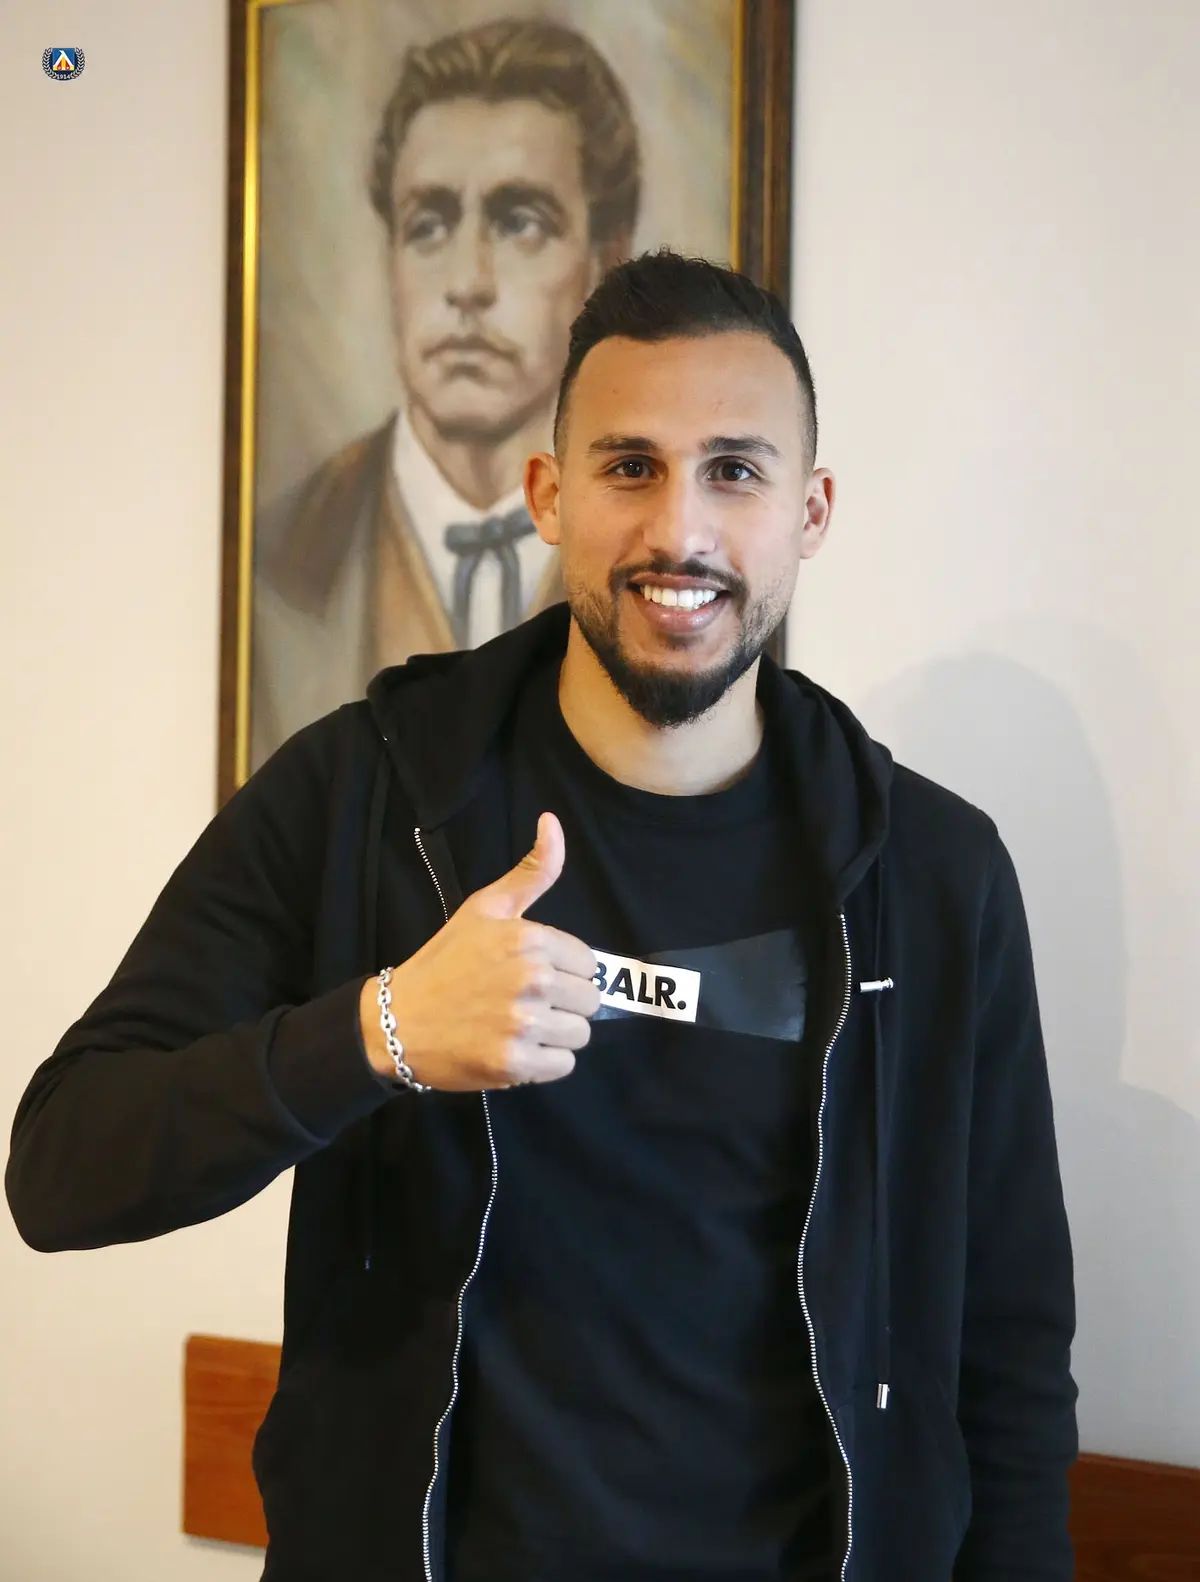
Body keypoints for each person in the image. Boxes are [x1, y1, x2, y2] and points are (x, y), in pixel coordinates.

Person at [6, 252, 1077, 1581]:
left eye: (734, 471)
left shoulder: (931, 874)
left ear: (810, 511)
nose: (680, 530)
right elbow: (62, 1167)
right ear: (550, 495)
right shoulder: (365, 794)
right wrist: (381, 1031)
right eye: (630, 466)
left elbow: (1010, 1349)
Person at [251, 17, 641, 769]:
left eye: (520, 222)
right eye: (428, 225)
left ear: (606, 258)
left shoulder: (658, 557)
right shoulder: (283, 552)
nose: (467, 283)